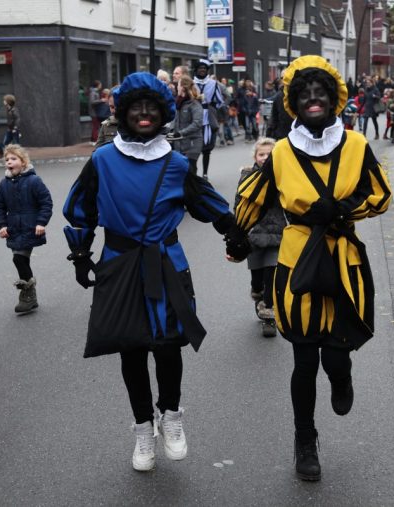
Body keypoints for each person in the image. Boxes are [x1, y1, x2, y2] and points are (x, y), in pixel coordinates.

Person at [62, 72, 242, 473]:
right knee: (131, 347)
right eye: (136, 107)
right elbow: (81, 210)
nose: (143, 114)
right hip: (120, 263)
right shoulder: (102, 160)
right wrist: (79, 253)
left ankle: (171, 415)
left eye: (151, 107)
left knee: (168, 345)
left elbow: (205, 203)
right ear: (123, 113)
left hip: (165, 263)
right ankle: (144, 426)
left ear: (163, 113)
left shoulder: (176, 163)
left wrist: (234, 232)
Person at [230, 55, 391, 481]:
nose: (313, 98)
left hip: (342, 260)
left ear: (334, 98)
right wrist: (235, 235)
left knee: (335, 359)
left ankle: (342, 377)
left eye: (320, 91)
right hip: (297, 259)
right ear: (294, 103)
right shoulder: (281, 152)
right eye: (304, 93)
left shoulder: (356, 145)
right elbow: (254, 196)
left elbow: (381, 194)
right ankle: (305, 442)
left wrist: (344, 210)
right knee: (303, 362)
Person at [0, 144, 53, 313]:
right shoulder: (4, 184)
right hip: (13, 228)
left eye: (13, 159)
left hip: (30, 227)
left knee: (18, 259)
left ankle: (28, 294)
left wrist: (41, 222)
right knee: (22, 259)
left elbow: (46, 203)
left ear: (24, 162)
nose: (9, 162)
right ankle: (30, 296)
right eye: (7, 160)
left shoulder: (34, 181)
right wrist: (2, 225)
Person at [234, 137, 282, 338]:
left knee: (272, 275)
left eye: (270, 154)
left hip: (278, 233)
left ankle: (269, 315)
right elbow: (239, 205)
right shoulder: (248, 177)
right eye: (261, 154)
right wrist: (237, 234)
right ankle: (258, 295)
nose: (265, 158)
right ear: (255, 157)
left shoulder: (285, 176)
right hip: (254, 235)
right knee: (258, 280)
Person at [192, 59, 224, 179]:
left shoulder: (213, 83)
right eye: (200, 68)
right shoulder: (191, 83)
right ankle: (193, 173)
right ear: (195, 70)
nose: (202, 70)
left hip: (208, 119)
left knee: (207, 149)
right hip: (194, 117)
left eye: (204, 69)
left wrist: (211, 107)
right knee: (194, 149)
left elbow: (220, 101)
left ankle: (205, 173)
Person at [172, 75, 204, 174]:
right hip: (180, 144)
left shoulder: (194, 104)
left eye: (178, 85)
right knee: (181, 172)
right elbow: (175, 122)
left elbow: (197, 123)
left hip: (193, 144)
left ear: (183, 87)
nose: (177, 87)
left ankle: (194, 188)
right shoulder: (178, 103)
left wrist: (181, 133)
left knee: (190, 171)